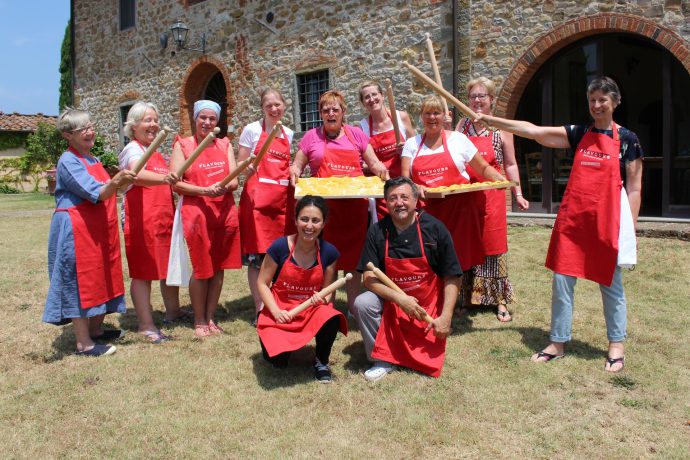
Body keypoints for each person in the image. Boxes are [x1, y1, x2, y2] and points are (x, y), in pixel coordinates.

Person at [475, 76, 643, 372]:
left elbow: (635, 188)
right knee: (562, 282)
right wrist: (493, 121)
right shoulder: (579, 133)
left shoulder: (628, 140)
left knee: (611, 285)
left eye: (603, 99)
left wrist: (628, 229)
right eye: (592, 100)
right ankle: (558, 342)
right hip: (574, 223)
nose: (596, 105)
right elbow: (535, 132)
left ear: (615, 102)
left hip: (607, 223)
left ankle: (616, 345)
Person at [43, 108, 136, 356]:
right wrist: (116, 182)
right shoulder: (68, 161)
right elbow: (95, 192)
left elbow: (109, 189)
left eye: (90, 126)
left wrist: (124, 179)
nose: (89, 132)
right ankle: (84, 343)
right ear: (67, 136)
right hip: (76, 229)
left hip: (96, 228)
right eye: (82, 129)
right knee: (78, 281)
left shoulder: (93, 160)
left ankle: (95, 330)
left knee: (100, 276)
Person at [352, 177, 461, 380]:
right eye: (392, 198)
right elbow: (368, 278)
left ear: (416, 200)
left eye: (404, 197)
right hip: (393, 301)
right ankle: (382, 358)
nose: (399, 203)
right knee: (363, 302)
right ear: (385, 202)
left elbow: (452, 275)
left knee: (428, 354)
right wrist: (400, 299)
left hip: (428, 305)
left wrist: (445, 318)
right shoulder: (377, 231)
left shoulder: (435, 229)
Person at [290, 90, 388, 312]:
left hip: (355, 208)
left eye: (335, 109)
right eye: (326, 110)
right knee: (327, 259)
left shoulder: (356, 135)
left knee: (353, 261)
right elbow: (298, 164)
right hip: (325, 212)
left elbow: (373, 162)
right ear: (321, 113)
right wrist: (294, 170)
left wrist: (381, 169)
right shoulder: (311, 137)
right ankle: (328, 307)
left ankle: (353, 307)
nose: (331, 113)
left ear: (343, 112)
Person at [401, 95, 506, 273]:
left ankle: (457, 298)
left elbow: (482, 168)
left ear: (445, 116)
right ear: (421, 116)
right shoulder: (412, 144)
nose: (432, 117)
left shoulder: (458, 139)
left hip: (460, 212)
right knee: (429, 259)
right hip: (427, 213)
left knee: (458, 260)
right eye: (427, 113)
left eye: (436, 113)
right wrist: (414, 187)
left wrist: (499, 178)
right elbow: (404, 179)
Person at [455, 77, 529, 322]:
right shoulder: (462, 126)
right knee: (468, 244)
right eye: (473, 96)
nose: (477, 100)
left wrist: (517, 192)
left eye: (482, 96)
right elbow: (452, 155)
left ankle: (500, 300)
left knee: (493, 246)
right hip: (467, 196)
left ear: (491, 100)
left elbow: (510, 163)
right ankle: (466, 297)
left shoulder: (500, 128)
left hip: (493, 196)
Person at [256, 195, 347, 383]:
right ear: (296, 220)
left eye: (316, 220)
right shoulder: (280, 247)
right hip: (281, 309)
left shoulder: (329, 252)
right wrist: (276, 311)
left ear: (323, 224)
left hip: (310, 310)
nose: (309, 226)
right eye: (304, 219)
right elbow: (262, 283)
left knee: (331, 316)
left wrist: (322, 300)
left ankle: (321, 361)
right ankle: (283, 345)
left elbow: (328, 291)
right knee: (276, 362)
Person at [170, 100, 241, 338]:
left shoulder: (224, 144)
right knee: (202, 267)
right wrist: (203, 190)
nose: (207, 122)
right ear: (195, 118)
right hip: (197, 212)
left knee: (219, 267)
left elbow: (234, 180)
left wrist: (221, 187)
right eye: (203, 118)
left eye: (212, 119)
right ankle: (199, 320)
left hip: (223, 211)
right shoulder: (183, 145)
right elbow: (175, 182)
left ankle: (211, 317)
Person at [119, 101, 185, 343]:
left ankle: (173, 311)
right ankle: (145, 325)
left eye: (155, 120)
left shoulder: (156, 152)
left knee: (167, 269)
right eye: (148, 120)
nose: (154, 124)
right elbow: (137, 176)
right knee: (143, 273)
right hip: (142, 221)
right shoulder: (133, 150)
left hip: (162, 219)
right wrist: (166, 178)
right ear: (133, 126)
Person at [238, 88, 295, 323]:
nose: (273, 109)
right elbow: (240, 163)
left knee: (281, 255)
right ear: (262, 108)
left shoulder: (288, 133)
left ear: (284, 105)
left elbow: (288, 165)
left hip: (281, 203)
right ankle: (260, 307)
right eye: (268, 105)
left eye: (277, 104)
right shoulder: (252, 130)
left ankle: (278, 303)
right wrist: (246, 168)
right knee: (257, 259)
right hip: (257, 203)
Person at [358, 81, 415, 220]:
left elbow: (417, 150)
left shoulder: (401, 118)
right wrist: (373, 165)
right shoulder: (362, 127)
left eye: (374, 94)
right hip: (381, 190)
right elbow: (361, 163)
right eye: (366, 97)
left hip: (405, 182)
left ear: (382, 96)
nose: (371, 99)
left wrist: (406, 151)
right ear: (363, 103)